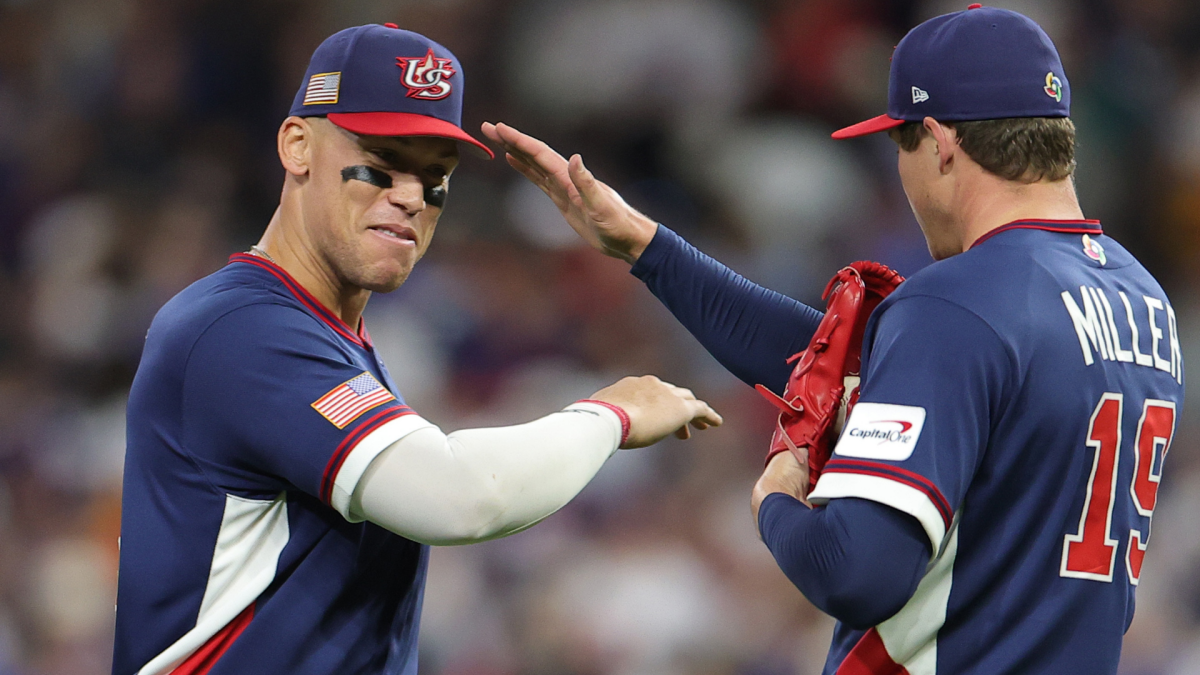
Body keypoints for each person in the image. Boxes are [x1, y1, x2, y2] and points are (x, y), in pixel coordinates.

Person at [483, 5, 1184, 674]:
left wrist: (774, 502)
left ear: (939, 144)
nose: (898, 171)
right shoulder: (1143, 300)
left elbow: (857, 569)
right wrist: (647, 247)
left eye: (897, 144)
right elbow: (840, 364)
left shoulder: (960, 301)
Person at [112, 24, 722, 675]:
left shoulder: (324, 337)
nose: (409, 196)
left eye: (435, 176)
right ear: (297, 146)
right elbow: (460, 495)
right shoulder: (240, 327)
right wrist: (612, 414)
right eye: (381, 161)